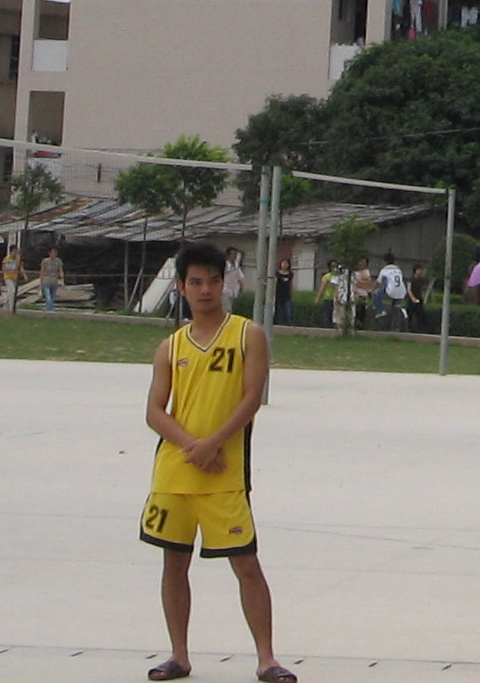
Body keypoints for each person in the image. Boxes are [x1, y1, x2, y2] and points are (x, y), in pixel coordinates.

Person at [139, 241, 294, 683]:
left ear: (224, 283)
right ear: (181, 287)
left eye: (212, 281)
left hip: (224, 473)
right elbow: (154, 411)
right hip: (175, 473)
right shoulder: (171, 346)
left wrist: (215, 444)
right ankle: (179, 655)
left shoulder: (248, 335)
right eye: (195, 282)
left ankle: (267, 659)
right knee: (174, 563)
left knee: (246, 564)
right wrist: (193, 445)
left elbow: (251, 398)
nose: (205, 290)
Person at [377, 252, 408, 331]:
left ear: (385, 261)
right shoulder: (398, 269)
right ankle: (396, 327)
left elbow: (378, 282)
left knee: (375, 294)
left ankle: (381, 310)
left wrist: (371, 289)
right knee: (396, 307)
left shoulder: (384, 270)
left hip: (391, 291)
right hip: (401, 291)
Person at [39, 244, 65, 311]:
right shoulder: (45, 261)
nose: (54, 254)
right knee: (48, 297)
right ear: (49, 253)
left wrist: (62, 281)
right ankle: (49, 310)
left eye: (55, 252)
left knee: (52, 298)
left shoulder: (58, 261)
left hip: (54, 281)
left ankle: (50, 310)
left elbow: (61, 271)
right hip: (46, 280)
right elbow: (42, 272)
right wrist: (40, 283)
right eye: (52, 252)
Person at [272, 254, 293, 327]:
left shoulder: (290, 274)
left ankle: (288, 324)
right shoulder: (277, 274)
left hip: (287, 295)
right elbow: (274, 283)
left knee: (288, 311)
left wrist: (291, 292)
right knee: (277, 310)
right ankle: (275, 323)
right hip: (278, 294)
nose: (284, 265)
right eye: (283, 263)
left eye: (286, 263)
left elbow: (291, 284)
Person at [1, 243, 24, 311]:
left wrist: (24, 275)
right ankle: (11, 306)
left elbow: (20, 267)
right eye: (14, 251)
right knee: (12, 291)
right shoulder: (6, 259)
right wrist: (9, 270)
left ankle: (6, 304)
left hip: (14, 277)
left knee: (10, 292)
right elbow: (4, 268)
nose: (15, 253)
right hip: (8, 277)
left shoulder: (18, 259)